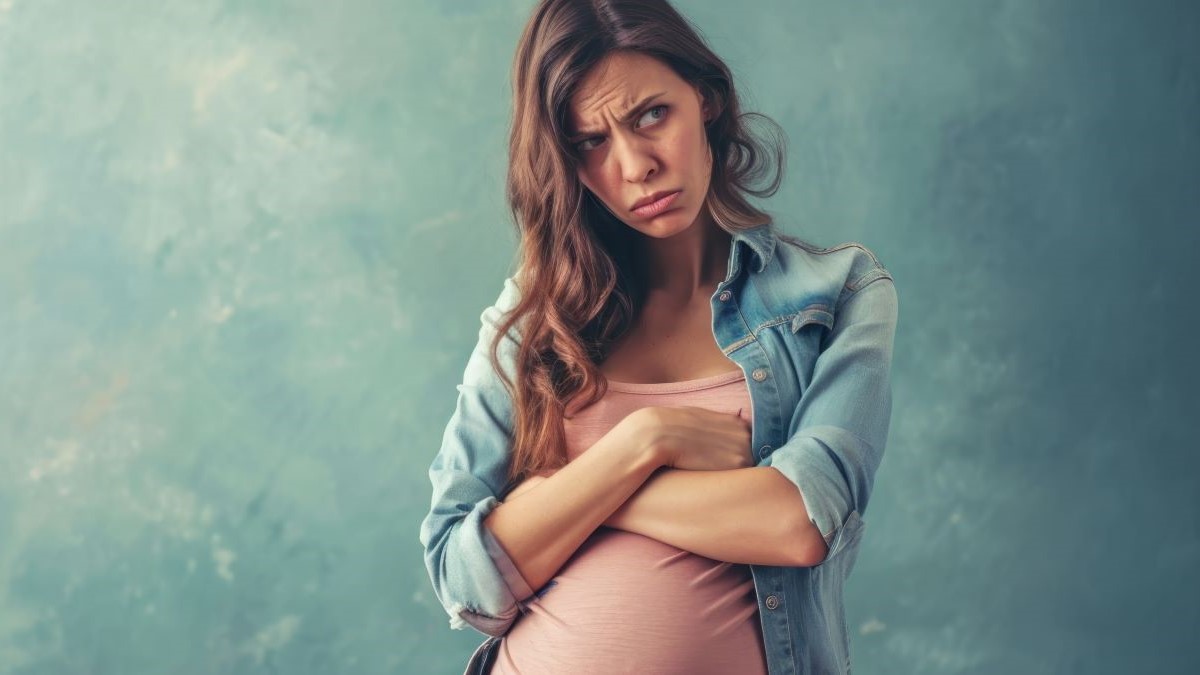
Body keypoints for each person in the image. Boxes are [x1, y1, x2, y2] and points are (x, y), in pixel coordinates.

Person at [418, 1, 899, 673]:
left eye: (651, 115)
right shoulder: (534, 317)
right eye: (591, 141)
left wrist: (568, 495)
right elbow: (465, 579)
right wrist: (647, 442)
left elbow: (798, 522)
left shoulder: (838, 293)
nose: (635, 164)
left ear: (704, 97)